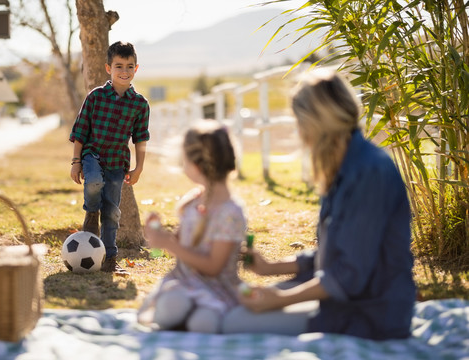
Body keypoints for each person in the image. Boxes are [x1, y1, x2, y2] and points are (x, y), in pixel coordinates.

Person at [222, 69, 416, 340]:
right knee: (235, 308)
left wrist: (279, 299)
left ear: (317, 122)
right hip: (340, 300)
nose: (298, 131)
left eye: (299, 121)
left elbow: (349, 275)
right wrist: (271, 268)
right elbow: (337, 255)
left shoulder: (369, 173)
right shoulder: (344, 166)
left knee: (234, 322)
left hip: (369, 314)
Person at [138, 121, 247, 333]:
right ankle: (179, 318)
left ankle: (185, 322)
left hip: (216, 291)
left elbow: (214, 267)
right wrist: (159, 236)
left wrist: (170, 244)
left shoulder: (230, 213)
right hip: (183, 284)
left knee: (202, 323)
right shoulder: (194, 202)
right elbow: (180, 245)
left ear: (196, 167)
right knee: (174, 305)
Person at [69, 41, 150, 275]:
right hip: (92, 154)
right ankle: (90, 213)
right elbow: (80, 131)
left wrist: (139, 168)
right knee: (93, 183)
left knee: (113, 211)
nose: (124, 71)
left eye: (129, 66)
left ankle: (109, 258)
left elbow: (141, 139)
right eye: (118, 66)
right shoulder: (96, 97)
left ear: (136, 69)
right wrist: (76, 162)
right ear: (108, 68)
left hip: (117, 162)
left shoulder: (139, 104)